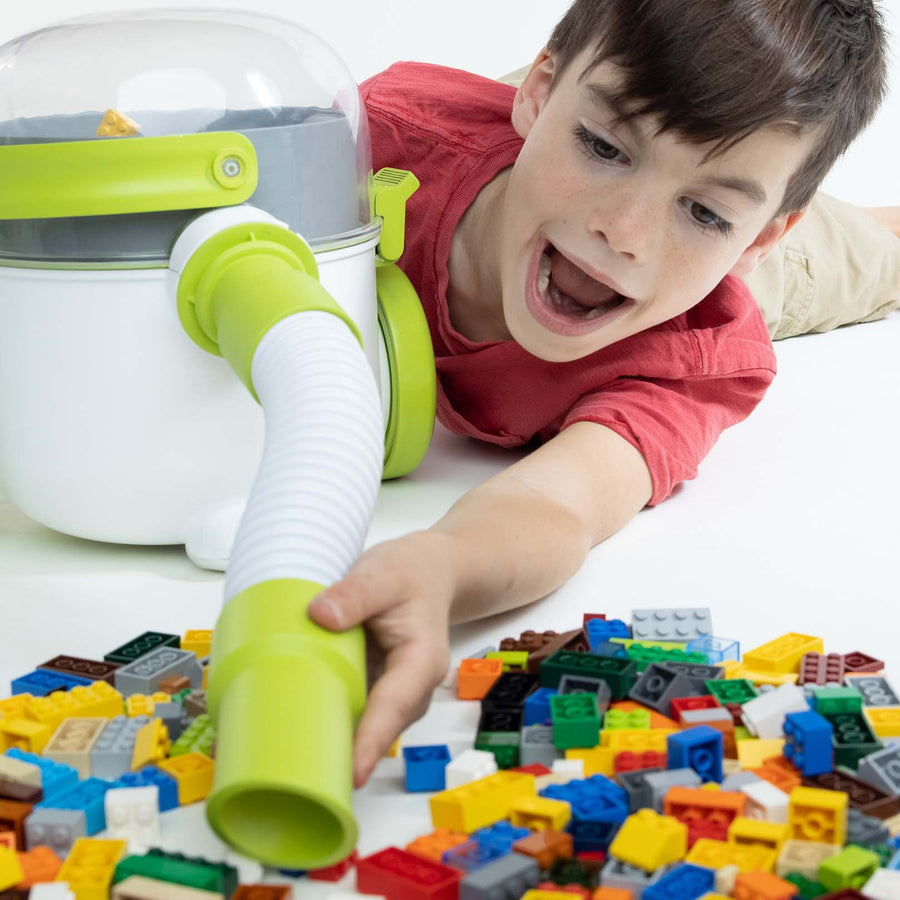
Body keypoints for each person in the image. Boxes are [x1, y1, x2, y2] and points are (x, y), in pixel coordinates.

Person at [308, 0, 899, 788]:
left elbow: (559, 505)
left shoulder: (695, 347)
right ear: (538, 93)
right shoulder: (380, 142)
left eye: (704, 211)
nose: (624, 233)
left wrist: (445, 563)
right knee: (631, 121)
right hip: (514, 131)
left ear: (754, 238)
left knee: (866, 248)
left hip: (735, 268)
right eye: (599, 145)